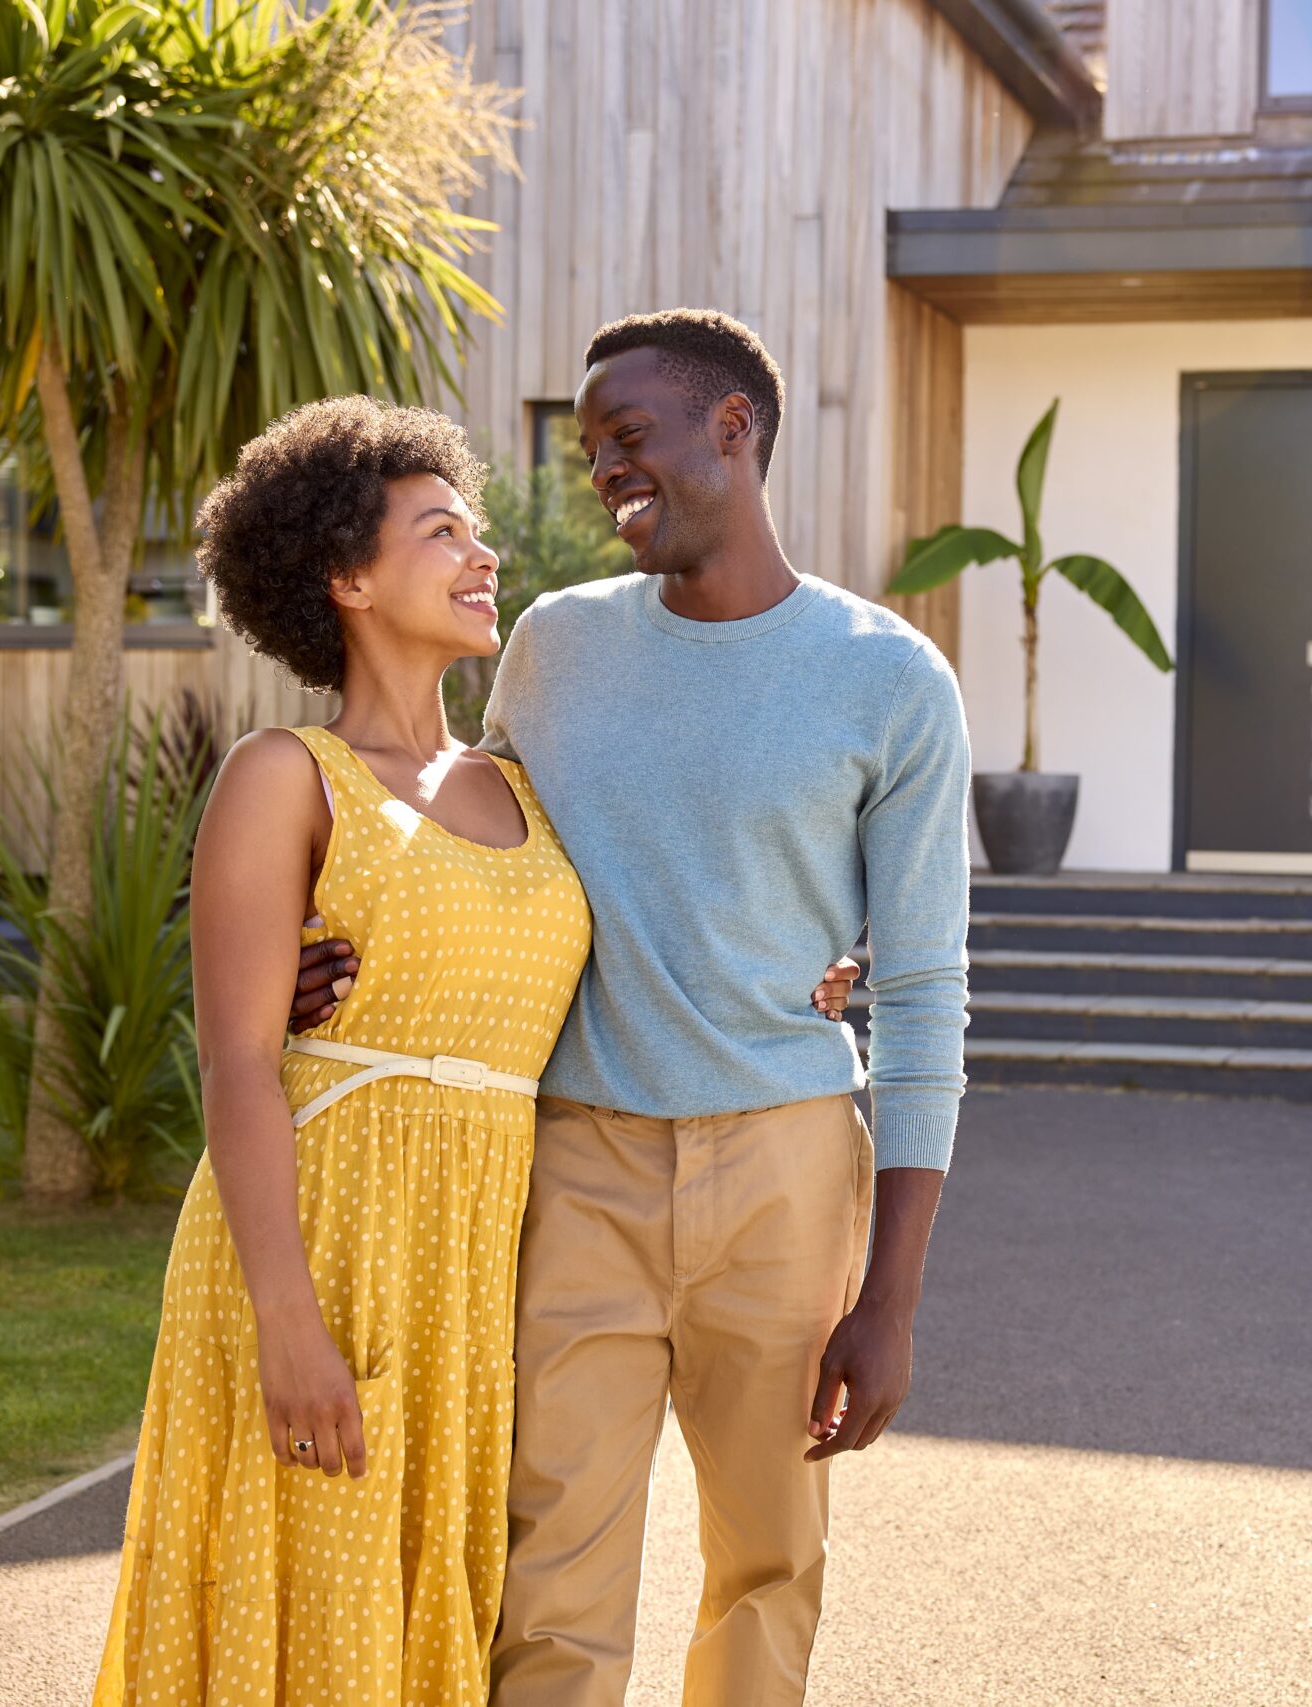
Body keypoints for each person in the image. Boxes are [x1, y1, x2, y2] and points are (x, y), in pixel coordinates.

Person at [90, 397, 858, 1706]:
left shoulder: (523, 780)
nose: (483, 555)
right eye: (442, 532)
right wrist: (290, 1326)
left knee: (449, 1617)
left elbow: (669, 917)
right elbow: (235, 1063)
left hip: (477, 1271)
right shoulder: (286, 773)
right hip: (325, 1243)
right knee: (313, 1610)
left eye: (479, 532)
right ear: (344, 576)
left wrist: (815, 965)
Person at [290, 308, 972, 1707]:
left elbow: (924, 995)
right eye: (591, 447)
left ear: (733, 429)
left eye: (628, 438)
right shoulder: (556, 643)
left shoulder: (890, 680)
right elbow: (479, 847)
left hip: (783, 1166)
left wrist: (892, 1298)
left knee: (769, 1561)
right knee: (548, 1568)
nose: (603, 471)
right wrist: (326, 935)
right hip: (577, 1164)